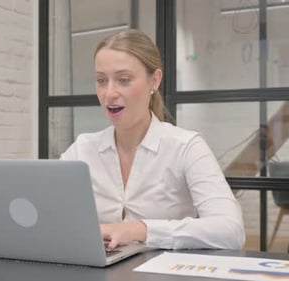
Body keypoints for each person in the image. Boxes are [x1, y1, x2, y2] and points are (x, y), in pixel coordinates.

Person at [60, 29, 245, 250]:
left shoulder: (186, 147)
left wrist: (140, 230)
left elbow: (231, 231)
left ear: (154, 81)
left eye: (123, 80)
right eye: (101, 80)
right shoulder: (82, 150)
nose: (109, 93)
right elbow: (47, 214)